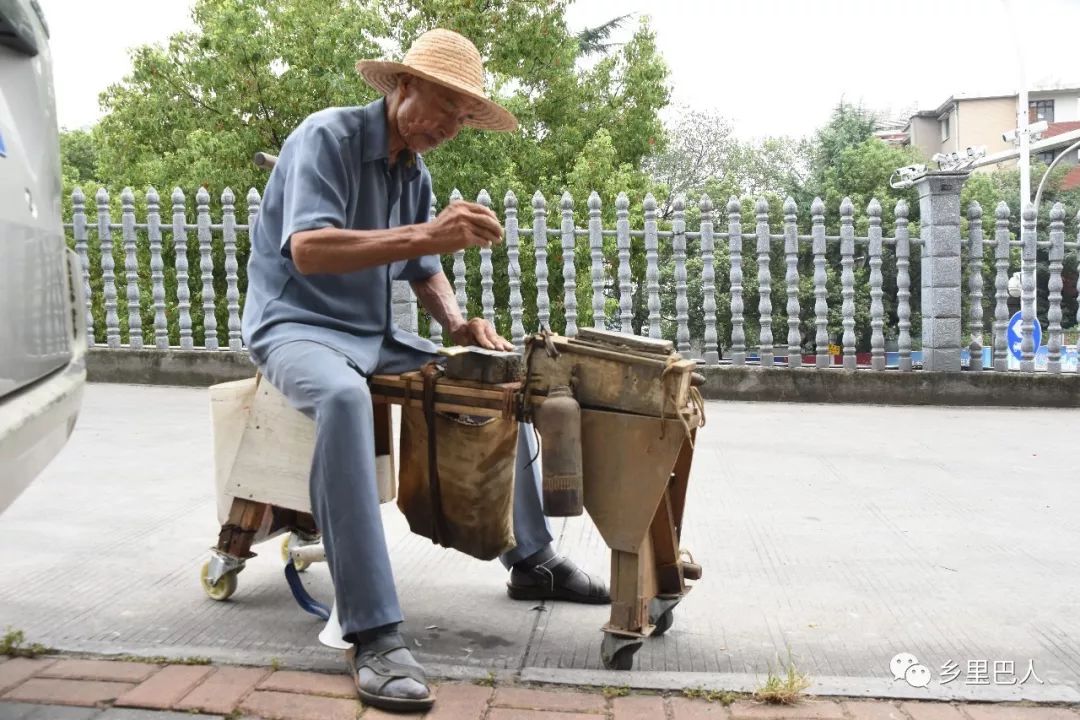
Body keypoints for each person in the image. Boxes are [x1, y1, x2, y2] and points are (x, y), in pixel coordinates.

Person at [241, 28, 608, 714]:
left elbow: (422, 266)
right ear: (399, 87)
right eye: (439, 106)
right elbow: (312, 251)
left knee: (493, 374)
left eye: (461, 118)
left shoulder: (415, 170)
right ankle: (372, 631)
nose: (447, 126)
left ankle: (532, 561)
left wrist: (457, 325)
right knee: (346, 401)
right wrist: (431, 233)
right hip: (295, 327)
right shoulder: (324, 138)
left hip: (374, 333)